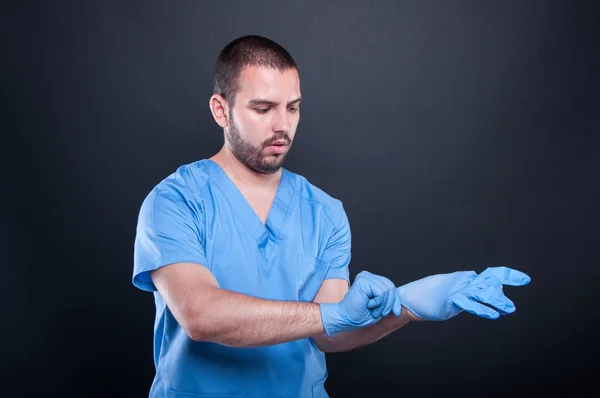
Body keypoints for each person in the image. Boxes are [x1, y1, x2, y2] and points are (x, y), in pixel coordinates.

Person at [132, 35, 531, 398]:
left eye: (293, 108)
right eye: (263, 108)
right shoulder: (175, 201)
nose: (282, 126)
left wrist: (410, 306)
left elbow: (331, 335)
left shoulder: (324, 212)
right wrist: (332, 314)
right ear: (221, 110)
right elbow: (201, 315)